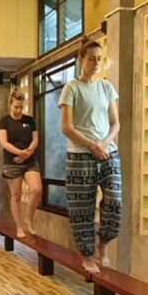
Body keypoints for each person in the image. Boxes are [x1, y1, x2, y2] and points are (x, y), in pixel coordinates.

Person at [59, 41, 121, 275]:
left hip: (108, 151)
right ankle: (87, 255)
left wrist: (104, 143)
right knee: (82, 207)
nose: (95, 63)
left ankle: (103, 245)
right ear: (81, 60)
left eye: (99, 58)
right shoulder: (71, 88)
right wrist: (92, 145)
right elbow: (67, 127)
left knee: (114, 201)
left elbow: (116, 123)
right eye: (91, 58)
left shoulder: (107, 87)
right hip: (80, 155)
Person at [0, 91, 42, 238]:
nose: (19, 110)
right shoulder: (4, 121)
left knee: (36, 190)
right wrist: (19, 153)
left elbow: (35, 140)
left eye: (21, 107)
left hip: (30, 160)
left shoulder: (30, 120)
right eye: (16, 107)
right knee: (16, 195)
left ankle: (29, 218)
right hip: (13, 162)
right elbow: (4, 142)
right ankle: (19, 227)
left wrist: (28, 152)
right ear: (10, 105)